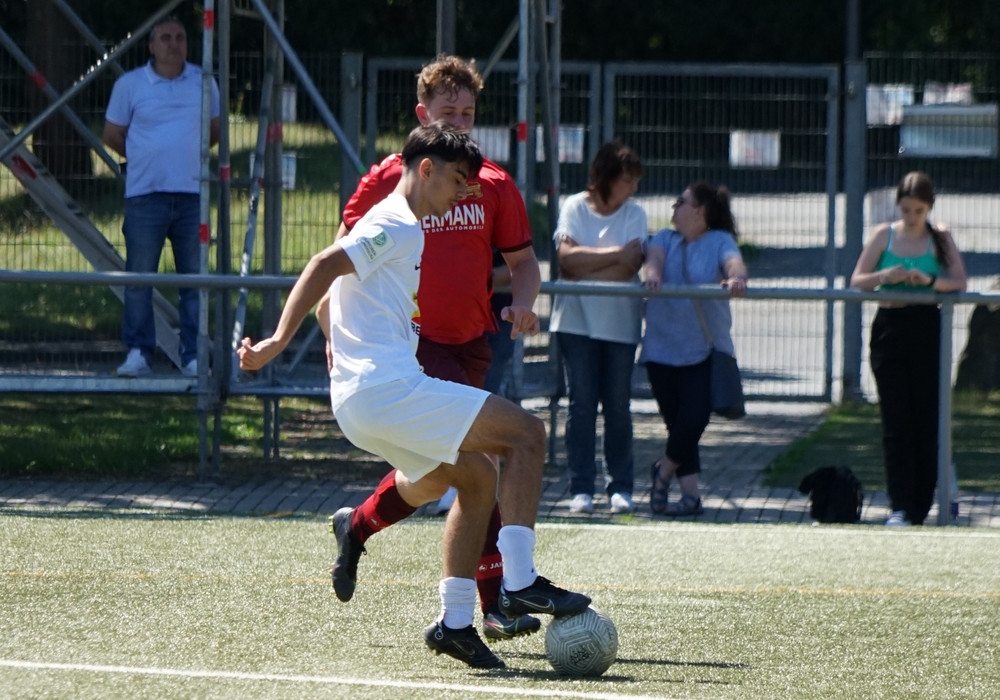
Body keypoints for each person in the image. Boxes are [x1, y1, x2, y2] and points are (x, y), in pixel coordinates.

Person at [238, 122, 590, 669]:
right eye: (455, 181)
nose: (458, 195)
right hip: (388, 390)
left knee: (475, 477)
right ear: (425, 169)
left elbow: (337, 289)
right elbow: (323, 264)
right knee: (527, 434)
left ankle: (453, 624)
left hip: (363, 401)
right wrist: (278, 342)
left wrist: (329, 346)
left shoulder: (395, 225)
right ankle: (519, 583)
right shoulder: (400, 226)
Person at [316, 55, 543, 642]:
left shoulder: (491, 180)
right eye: (450, 112)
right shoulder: (391, 180)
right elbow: (336, 262)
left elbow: (522, 263)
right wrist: (331, 335)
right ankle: (495, 601)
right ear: (424, 115)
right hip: (412, 351)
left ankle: (359, 526)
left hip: (472, 340)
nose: (462, 123)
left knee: (440, 477)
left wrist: (524, 302)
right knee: (487, 462)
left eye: (469, 112)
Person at [102, 15, 220, 377]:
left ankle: (193, 356)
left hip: (192, 197)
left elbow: (214, 131)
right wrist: (145, 157)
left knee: (194, 281)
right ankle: (139, 352)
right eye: (165, 37)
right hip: (145, 195)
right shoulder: (129, 85)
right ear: (151, 46)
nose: (173, 43)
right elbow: (112, 134)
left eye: (180, 37)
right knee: (139, 279)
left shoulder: (204, 82)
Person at [850, 171, 967, 527]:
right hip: (890, 328)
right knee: (896, 422)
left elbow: (960, 281)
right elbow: (857, 280)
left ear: (929, 207)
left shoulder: (940, 236)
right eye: (906, 210)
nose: (912, 218)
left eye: (918, 210)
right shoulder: (883, 235)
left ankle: (924, 503)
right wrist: (886, 277)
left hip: (927, 328)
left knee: (926, 420)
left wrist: (928, 280)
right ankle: (901, 506)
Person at [640, 182, 749, 516]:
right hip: (660, 347)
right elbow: (653, 260)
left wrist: (736, 280)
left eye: (681, 202)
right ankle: (691, 496)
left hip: (702, 348)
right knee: (678, 425)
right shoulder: (664, 238)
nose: (674, 208)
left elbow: (734, 264)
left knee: (695, 418)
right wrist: (654, 275)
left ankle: (663, 472)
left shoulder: (720, 241)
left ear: (699, 212)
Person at [550, 141, 646, 515]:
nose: (632, 188)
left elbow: (631, 266)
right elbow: (566, 259)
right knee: (582, 404)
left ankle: (620, 486)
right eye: (626, 180)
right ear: (606, 178)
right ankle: (581, 488)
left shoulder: (635, 213)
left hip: (621, 325)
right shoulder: (574, 206)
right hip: (575, 323)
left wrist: (593, 261)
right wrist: (614, 255)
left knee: (618, 407)